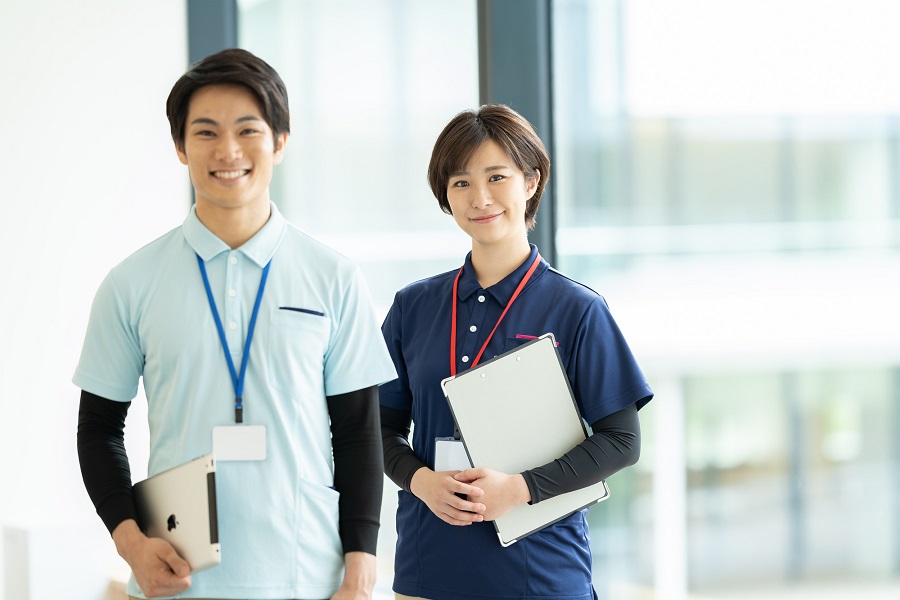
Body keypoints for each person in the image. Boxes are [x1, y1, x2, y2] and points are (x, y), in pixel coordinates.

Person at [74, 48, 396, 600]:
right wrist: (131, 545)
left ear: (279, 141)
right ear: (180, 147)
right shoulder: (131, 283)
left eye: (248, 129)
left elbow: (359, 432)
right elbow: (99, 429)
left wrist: (361, 571)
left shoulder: (334, 277)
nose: (228, 150)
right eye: (205, 133)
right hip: (177, 581)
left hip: (309, 579)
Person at [378, 104, 654, 600]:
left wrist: (519, 488)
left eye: (496, 177)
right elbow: (377, 427)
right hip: (427, 572)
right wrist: (420, 481)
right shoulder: (412, 307)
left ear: (530, 182)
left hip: (541, 575)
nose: (479, 197)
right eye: (460, 182)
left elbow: (621, 440)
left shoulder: (577, 309)